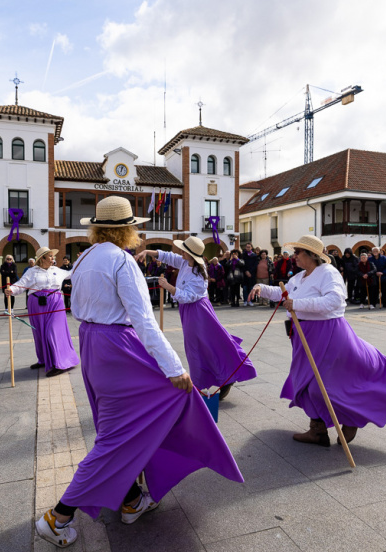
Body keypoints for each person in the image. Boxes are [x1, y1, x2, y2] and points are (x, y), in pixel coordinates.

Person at [35, 197, 242, 547]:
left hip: (93, 343)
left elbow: (79, 308)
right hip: (118, 347)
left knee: (118, 426)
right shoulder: (122, 261)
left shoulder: (84, 258)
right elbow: (144, 320)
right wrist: (175, 367)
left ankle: (131, 499)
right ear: (128, 229)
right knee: (126, 429)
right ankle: (59, 515)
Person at [248, 235, 386, 448]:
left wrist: (297, 304)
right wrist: (263, 288)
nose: (294, 256)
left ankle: (350, 418)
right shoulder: (299, 277)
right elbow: (284, 292)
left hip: (327, 333)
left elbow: (333, 301)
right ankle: (318, 431)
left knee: (324, 384)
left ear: (312, 255)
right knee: (305, 383)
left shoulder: (328, 273)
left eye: (298, 252)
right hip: (304, 335)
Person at [136, 237, 257, 398]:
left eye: (183, 250)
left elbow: (187, 296)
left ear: (190, 254)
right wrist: (146, 251)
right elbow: (168, 256)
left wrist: (167, 286)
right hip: (190, 311)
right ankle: (222, 378)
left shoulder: (200, 275)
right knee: (204, 345)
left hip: (198, 311)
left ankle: (201, 385)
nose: (180, 252)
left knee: (196, 347)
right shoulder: (185, 262)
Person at [6, 247, 79, 377]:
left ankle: (59, 363)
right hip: (36, 304)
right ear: (42, 258)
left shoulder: (57, 270)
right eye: (50, 256)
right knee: (39, 332)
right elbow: (21, 284)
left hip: (55, 303)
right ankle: (44, 359)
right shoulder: (32, 272)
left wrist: (81, 260)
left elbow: (73, 272)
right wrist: (11, 289)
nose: (53, 258)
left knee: (53, 331)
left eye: (53, 256)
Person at [241, 242, 259, 307]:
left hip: (252, 274)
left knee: (251, 288)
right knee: (245, 288)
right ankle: (245, 301)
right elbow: (242, 264)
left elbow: (255, 265)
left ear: (251, 247)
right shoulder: (243, 255)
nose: (248, 248)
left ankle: (250, 301)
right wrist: (246, 271)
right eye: (247, 247)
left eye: (249, 247)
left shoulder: (254, 256)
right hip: (245, 274)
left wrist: (250, 272)